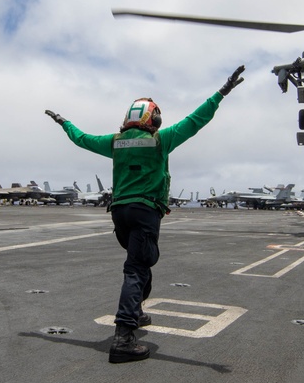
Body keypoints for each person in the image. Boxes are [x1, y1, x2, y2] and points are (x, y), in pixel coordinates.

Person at [44, 65, 245, 363]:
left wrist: (64, 121)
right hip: (145, 212)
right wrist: (222, 92)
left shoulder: (115, 142)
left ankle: (136, 311)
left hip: (120, 214)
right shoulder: (161, 140)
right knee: (137, 269)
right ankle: (124, 337)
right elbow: (196, 119)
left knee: (141, 262)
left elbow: (81, 138)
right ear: (154, 119)